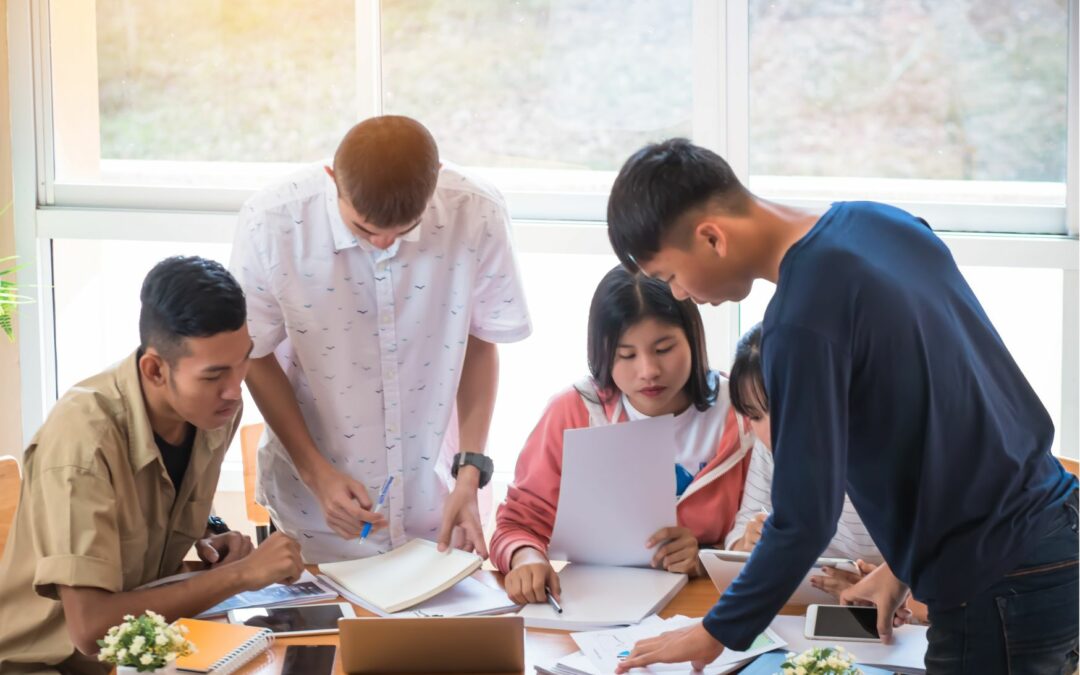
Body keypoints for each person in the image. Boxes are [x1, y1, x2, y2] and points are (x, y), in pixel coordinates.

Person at [604, 139, 1077, 674]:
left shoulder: (801, 321)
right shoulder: (880, 222)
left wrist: (716, 631)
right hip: (1053, 530)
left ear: (711, 237)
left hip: (995, 577)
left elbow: (805, 517)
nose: (682, 295)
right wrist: (900, 566)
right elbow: (948, 415)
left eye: (669, 277)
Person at [230, 115, 531, 563]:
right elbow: (254, 353)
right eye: (365, 229)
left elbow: (481, 339)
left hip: (437, 506)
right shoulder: (271, 223)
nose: (384, 243)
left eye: (404, 230)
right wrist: (317, 474)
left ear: (436, 185)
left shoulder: (476, 210)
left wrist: (470, 472)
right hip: (311, 513)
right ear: (331, 180)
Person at [0, 257, 304, 675]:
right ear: (155, 370)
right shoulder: (81, 443)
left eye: (242, 363)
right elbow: (89, 631)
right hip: (48, 664)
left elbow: (159, 506)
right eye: (214, 375)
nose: (235, 391)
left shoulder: (212, 410)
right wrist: (242, 576)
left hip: (148, 651)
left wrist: (215, 534)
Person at [491, 266, 752, 605]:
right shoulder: (573, 412)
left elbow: (767, 532)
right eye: (626, 355)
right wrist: (526, 558)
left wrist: (706, 558)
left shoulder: (744, 413)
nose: (648, 371)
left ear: (693, 339)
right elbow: (518, 523)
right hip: (595, 608)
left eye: (664, 349)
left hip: (709, 607)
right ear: (601, 356)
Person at [725, 323, 935, 623]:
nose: (772, 429)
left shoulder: (896, 446)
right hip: (829, 607)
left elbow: (955, 578)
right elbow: (736, 539)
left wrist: (888, 586)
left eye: (784, 408)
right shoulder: (771, 448)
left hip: (906, 618)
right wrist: (747, 543)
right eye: (755, 415)